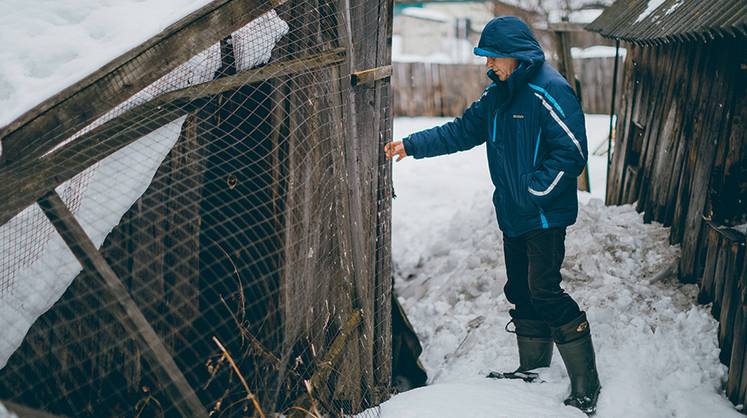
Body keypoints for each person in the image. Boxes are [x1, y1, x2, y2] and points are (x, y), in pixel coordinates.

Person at [384, 16, 601, 415]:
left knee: (546, 292)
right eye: (485, 58)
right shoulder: (498, 95)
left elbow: (571, 153)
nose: (488, 65)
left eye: (493, 57)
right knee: (520, 292)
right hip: (513, 215)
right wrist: (410, 146)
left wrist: (535, 192)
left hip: (543, 216)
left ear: (516, 56)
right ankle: (533, 369)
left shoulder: (549, 90)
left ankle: (587, 383)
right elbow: (461, 131)